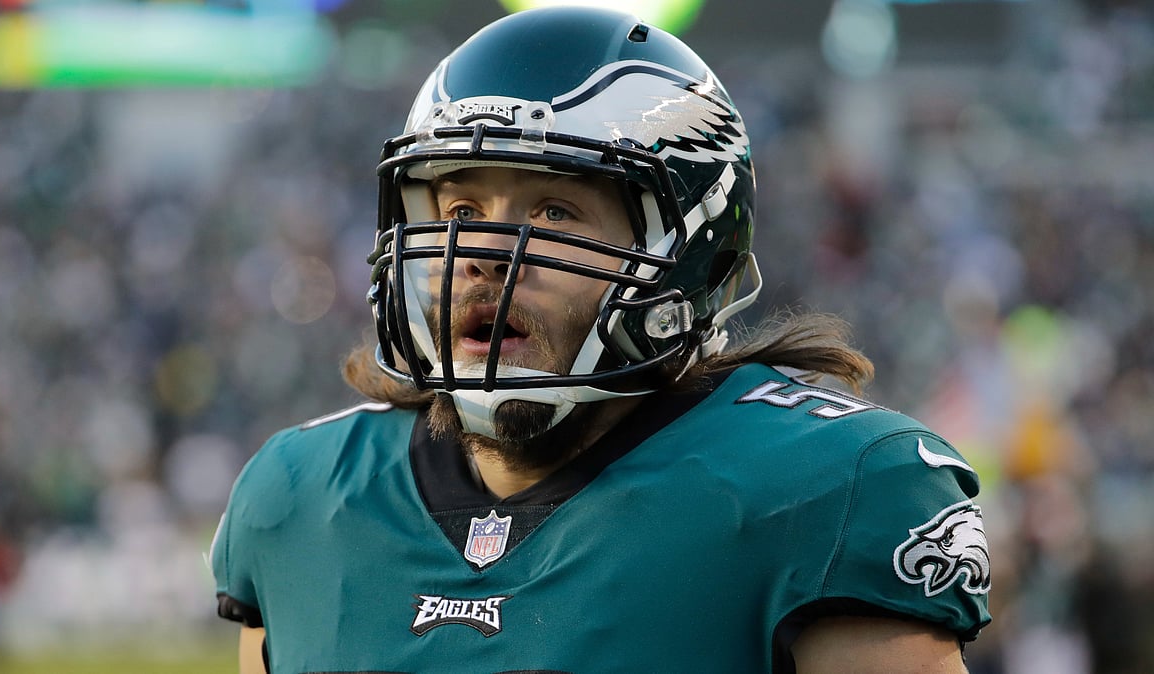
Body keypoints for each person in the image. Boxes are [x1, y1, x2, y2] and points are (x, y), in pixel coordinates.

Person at [210, 6, 991, 673]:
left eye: (554, 211)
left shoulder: (827, 485)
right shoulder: (299, 496)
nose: (483, 253)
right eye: (459, 213)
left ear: (691, 252)